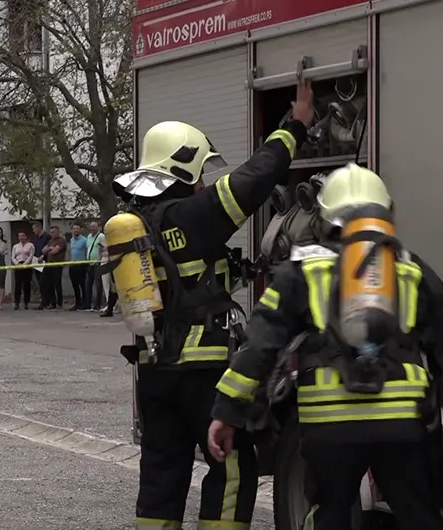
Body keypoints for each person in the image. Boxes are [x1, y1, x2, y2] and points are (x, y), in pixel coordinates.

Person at [207, 165, 443, 530]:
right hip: (401, 422)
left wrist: (227, 410)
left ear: (323, 217)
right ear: (385, 212)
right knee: (419, 516)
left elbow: (261, 344)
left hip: (328, 423)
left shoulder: (303, 271)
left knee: (330, 513)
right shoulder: (413, 270)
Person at [111, 78, 315, 530]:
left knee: (161, 474)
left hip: (154, 373)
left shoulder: (138, 225)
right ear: (182, 167)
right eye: (199, 171)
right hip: (202, 374)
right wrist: (294, 127)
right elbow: (255, 178)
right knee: (231, 469)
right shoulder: (194, 215)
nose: (204, 182)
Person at [41, 225, 67, 311]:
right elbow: (43, 251)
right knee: (49, 284)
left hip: (57, 265)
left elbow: (55, 251)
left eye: (54, 232)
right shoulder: (50, 241)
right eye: (51, 232)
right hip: (49, 265)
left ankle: (59, 304)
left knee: (57, 284)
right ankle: (52, 303)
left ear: (58, 232)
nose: (52, 234)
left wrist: (50, 249)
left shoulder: (61, 240)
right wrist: (50, 248)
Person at [84, 221, 106, 311]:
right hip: (90, 263)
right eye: (91, 226)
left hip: (97, 264)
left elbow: (103, 249)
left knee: (98, 285)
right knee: (88, 284)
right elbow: (88, 248)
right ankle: (88, 304)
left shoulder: (101, 237)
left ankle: (97, 305)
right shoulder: (88, 236)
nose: (92, 228)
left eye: (94, 226)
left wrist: (100, 260)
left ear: (98, 228)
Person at [11, 230, 35, 310]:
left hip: (27, 266)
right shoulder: (15, 246)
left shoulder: (30, 245)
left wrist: (25, 264)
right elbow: (13, 257)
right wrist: (17, 264)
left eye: (22, 235)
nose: (21, 237)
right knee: (18, 285)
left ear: (26, 236)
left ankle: (26, 303)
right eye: (19, 236)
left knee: (26, 285)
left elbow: (31, 256)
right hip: (18, 265)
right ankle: (17, 303)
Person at [67, 222, 88, 311]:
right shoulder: (72, 240)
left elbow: (87, 251)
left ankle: (85, 303)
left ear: (81, 230)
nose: (75, 230)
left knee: (82, 285)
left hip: (81, 265)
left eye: (77, 229)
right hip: (73, 265)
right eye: (74, 229)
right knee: (75, 285)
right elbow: (70, 252)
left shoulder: (84, 240)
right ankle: (77, 303)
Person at [30, 222, 51, 309]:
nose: (33, 230)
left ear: (39, 228)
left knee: (44, 282)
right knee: (39, 283)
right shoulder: (35, 238)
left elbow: (49, 247)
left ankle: (47, 301)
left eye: (34, 228)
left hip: (45, 262)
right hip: (37, 262)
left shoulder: (47, 237)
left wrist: (43, 256)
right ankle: (43, 301)